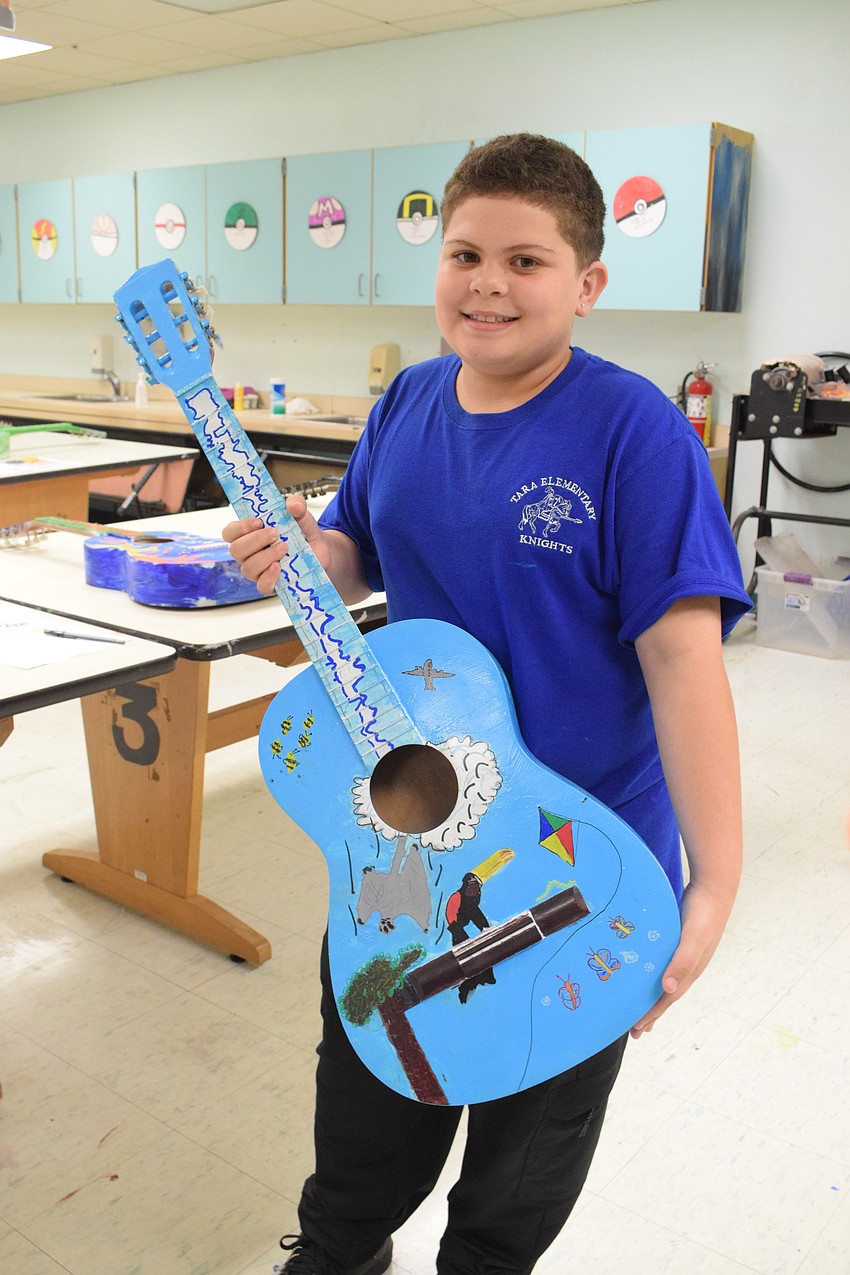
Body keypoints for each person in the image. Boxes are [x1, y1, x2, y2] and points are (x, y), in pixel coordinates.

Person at [223, 133, 752, 1275]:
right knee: (366, 1118)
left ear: (586, 285)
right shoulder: (408, 400)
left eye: (527, 259)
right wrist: (297, 553)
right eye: (465, 252)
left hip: (572, 866)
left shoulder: (633, 432)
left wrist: (713, 884)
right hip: (404, 850)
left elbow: (682, 664)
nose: (488, 283)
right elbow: (358, 557)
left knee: (520, 1169)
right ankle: (336, 1253)